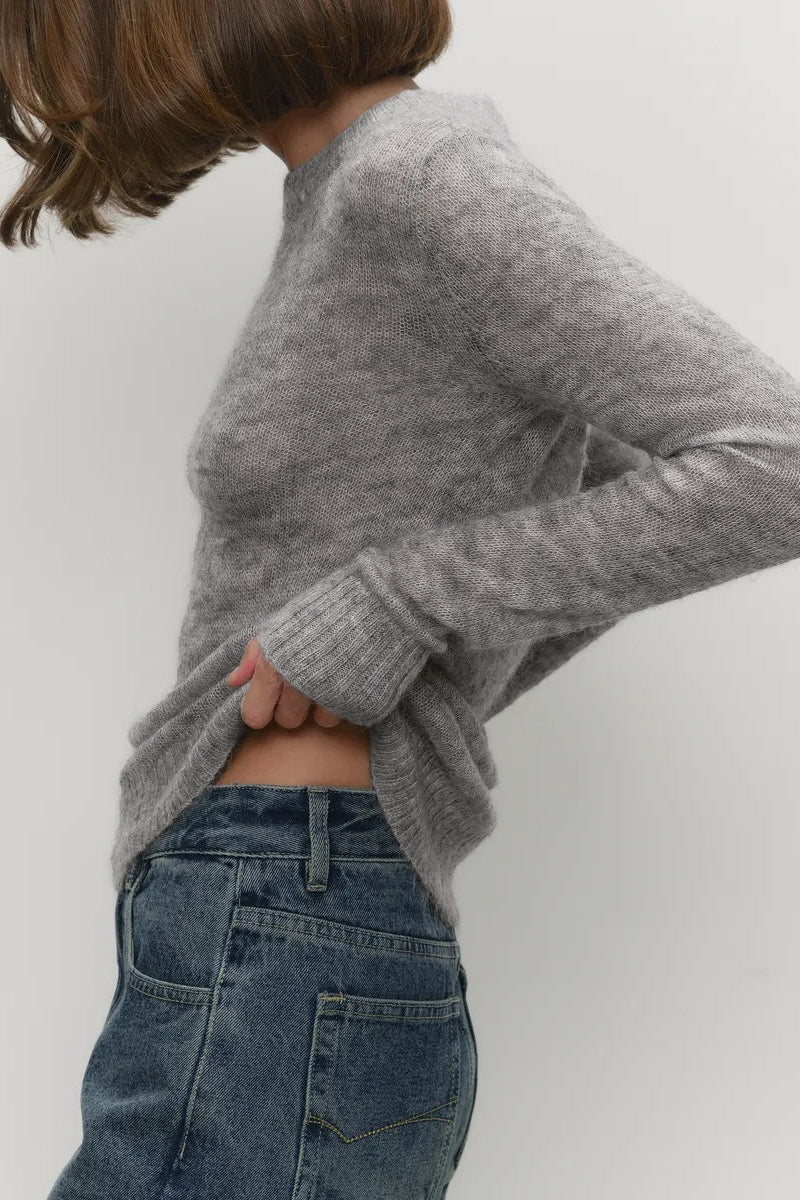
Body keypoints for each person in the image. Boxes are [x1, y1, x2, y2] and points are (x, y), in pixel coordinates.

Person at [3, 1, 799, 1196]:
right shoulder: (348, 193)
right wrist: (408, 653)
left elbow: (774, 464)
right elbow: (612, 490)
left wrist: (395, 610)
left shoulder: (415, 183)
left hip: (283, 898)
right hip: (270, 900)